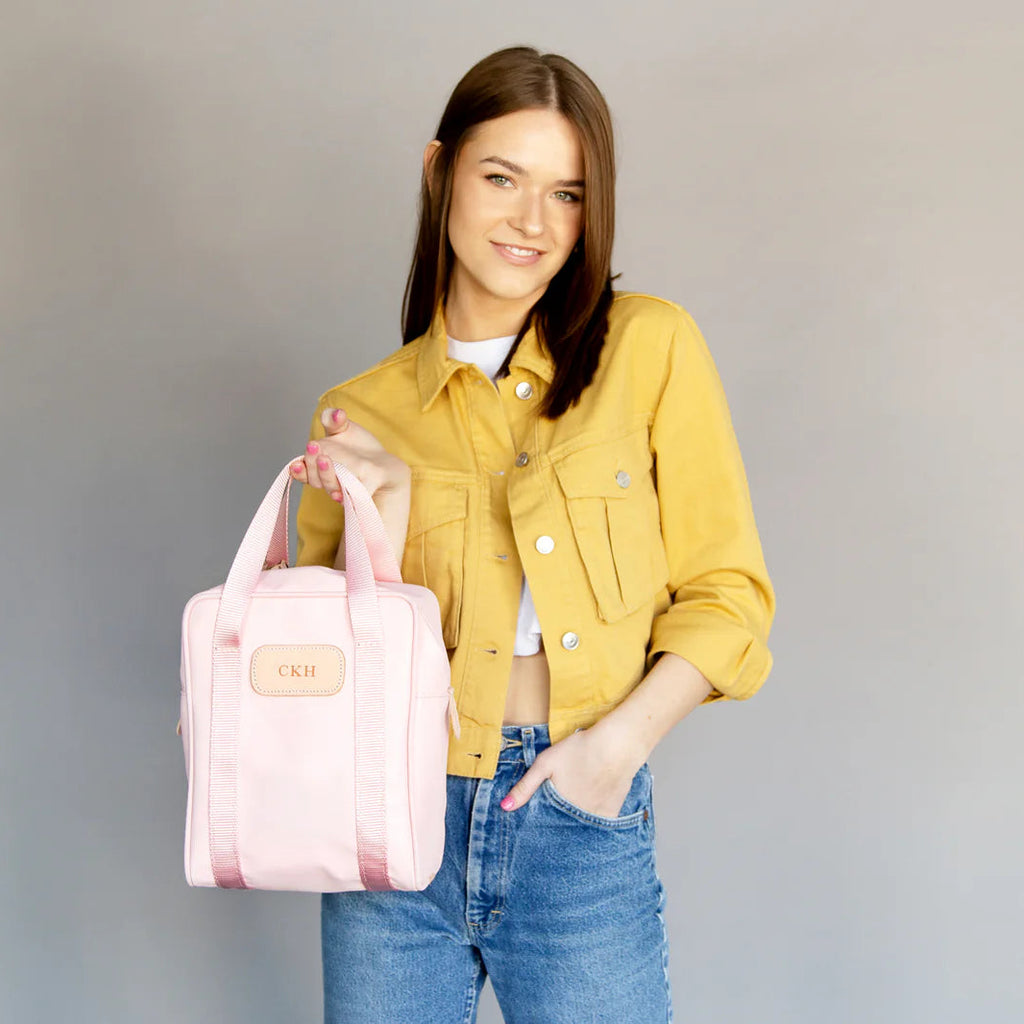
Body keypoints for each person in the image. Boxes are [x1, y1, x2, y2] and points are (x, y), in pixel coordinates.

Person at [291, 44, 775, 1024]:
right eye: (502, 178)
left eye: (567, 194)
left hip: (576, 812)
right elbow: (335, 664)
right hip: (394, 818)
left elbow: (729, 596)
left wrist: (613, 752)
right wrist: (383, 507)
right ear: (440, 173)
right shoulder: (361, 410)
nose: (533, 222)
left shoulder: (648, 348)